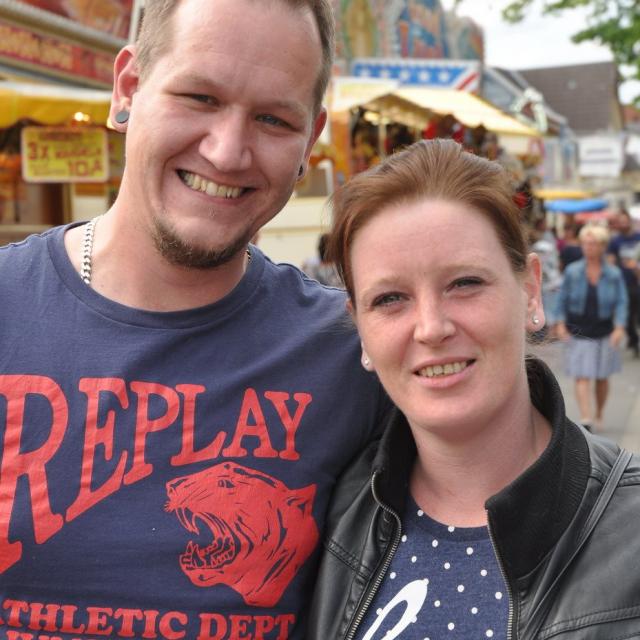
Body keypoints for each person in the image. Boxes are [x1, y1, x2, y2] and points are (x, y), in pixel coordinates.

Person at [0, 1, 388, 638]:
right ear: (128, 89)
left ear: (310, 140)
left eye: (272, 119)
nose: (228, 152)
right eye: (199, 98)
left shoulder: (353, 352)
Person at [307, 139, 640, 639]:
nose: (431, 328)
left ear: (530, 292)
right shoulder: (327, 513)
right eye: (390, 298)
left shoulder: (629, 528)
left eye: (464, 283)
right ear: (361, 330)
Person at [556, 224, 628, 431]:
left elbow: (622, 301)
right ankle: (586, 418)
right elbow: (561, 298)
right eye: (586, 243)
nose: (588, 247)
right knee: (582, 375)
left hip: (604, 330)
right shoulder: (573, 271)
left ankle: (599, 413)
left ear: (603, 246)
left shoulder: (613, 274)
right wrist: (560, 323)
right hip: (579, 329)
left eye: (593, 243)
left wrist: (619, 327)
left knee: (602, 377)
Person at [607, 208, 640, 357]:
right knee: (626, 315)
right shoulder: (615, 240)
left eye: (625, 221)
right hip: (623, 283)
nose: (623, 224)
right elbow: (610, 260)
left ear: (630, 222)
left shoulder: (638, 237)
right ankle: (634, 340)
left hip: (637, 281)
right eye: (621, 222)